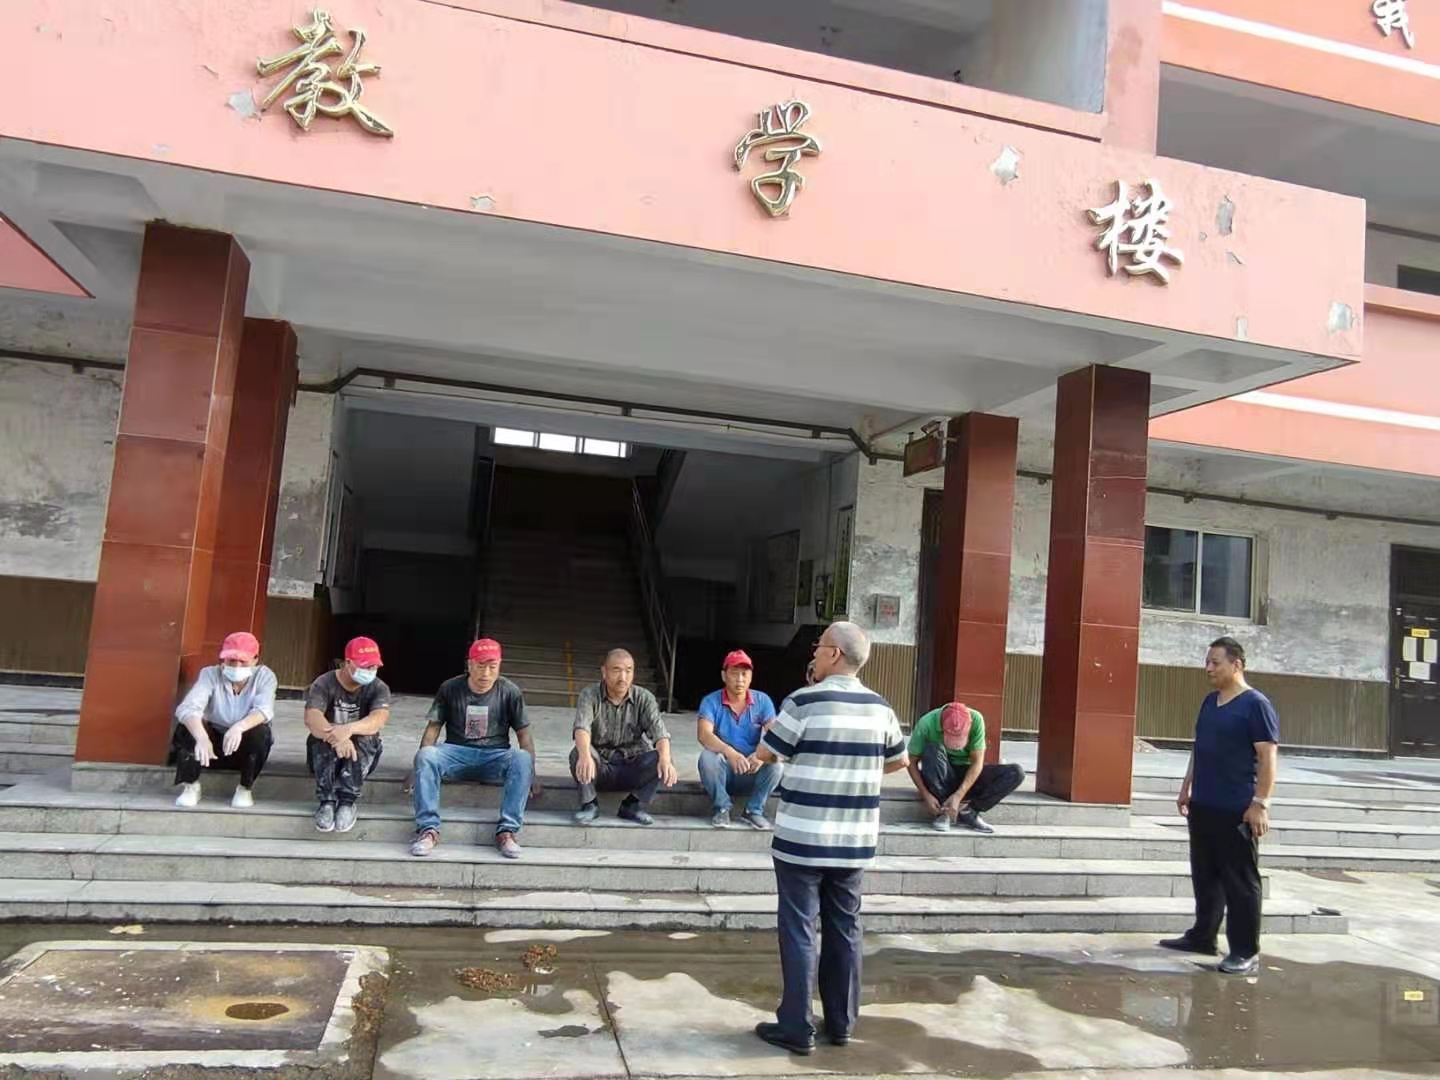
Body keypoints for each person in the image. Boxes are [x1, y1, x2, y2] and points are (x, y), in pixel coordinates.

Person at [752, 621, 909, 1055]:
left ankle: (797, 1028)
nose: (814, 654)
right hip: (853, 841)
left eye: (818, 647)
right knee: (846, 928)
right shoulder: (880, 707)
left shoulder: (803, 701)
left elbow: (767, 752)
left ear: (835, 654)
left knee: (799, 929)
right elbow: (899, 760)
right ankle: (840, 1024)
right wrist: (856, 771)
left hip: (802, 839)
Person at [1160, 636, 1279, 976]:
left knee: (1240, 882)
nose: (1208, 668)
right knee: (1205, 875)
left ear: (1236, 664)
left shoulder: (1256, 705)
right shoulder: (1210, 702)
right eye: (1207, 662)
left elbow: (1268, 756)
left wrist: (1260, 803)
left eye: (1216, 662)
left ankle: (1245, 950)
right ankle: (1203, 936)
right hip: (1204, 804)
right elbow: (1200, 747)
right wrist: (1187, 786)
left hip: (1236, 809)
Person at [409, 638, 539, 860]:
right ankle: (428, 830)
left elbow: (524, 735)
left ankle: (507, 831)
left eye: (492, 667)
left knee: (522, 758)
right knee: (427, 755)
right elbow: (433, 728)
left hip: (495, 756)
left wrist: (531, 774)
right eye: (480, 666)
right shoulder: (450, 688)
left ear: (499, 665)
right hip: (455, 753)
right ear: (469, 664)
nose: (486, 673)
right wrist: (416, 768)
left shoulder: (510, 691)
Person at [170, 631, 277, 809]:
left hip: (242, 746)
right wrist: (202, 738)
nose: (236, 666)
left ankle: (245, 788)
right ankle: (190, 785)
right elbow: (188, 708)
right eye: (231, 660)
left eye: (243, 661)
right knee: (186, 727)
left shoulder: (265, 677)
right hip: (210, 749)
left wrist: (239, 727)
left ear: (255, 659)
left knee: (262, 732)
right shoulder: (209, 674)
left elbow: (264, 710)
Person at [571, 648, 677, 825]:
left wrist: (665, 759)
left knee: (664, 757)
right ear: (604, 672)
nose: (623, 677)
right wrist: (584, 755)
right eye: (616, 670)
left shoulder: (644, 698)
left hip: (631, 765)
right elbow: (581, 728)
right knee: (578, 752)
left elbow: (660, 734)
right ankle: (589, 804)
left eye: (628, 671)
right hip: (600, 766)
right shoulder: (589, 695)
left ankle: (633, 805)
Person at [303, 636, 392, 834]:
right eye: (365, 666)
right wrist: (337, 738)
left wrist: (349, 730)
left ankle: (347, 802)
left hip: (360, 755)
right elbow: (312, 717)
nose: (370, 671)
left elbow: (379, 719)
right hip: (326, 754)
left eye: (373, 667)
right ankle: (326, 801)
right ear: (348, 662)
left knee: (367, 736)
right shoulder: (324, 683)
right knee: (320, 735)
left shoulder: (378, 688)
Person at [905, 701, 1025, 834]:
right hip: (942, 774)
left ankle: (969, 811)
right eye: (952, 738)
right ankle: (944, 811)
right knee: (932, 749)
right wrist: (925, 794)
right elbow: (911, 761)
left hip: (968, 775)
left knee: (1016, 773)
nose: (956, 745)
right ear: (943, 727)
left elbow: (977, 762)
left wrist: (958, 795)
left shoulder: (976, 719)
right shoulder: (926, 723)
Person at [696, 649, 782, 830]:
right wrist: (730, 753)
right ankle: (722, 807)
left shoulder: (763, 701)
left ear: (751, 677)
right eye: (734, 673)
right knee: (707, 758)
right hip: (724, 771)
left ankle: (754, 810)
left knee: (776, 764)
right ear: (724, 675)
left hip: (751, 770)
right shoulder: (711, 701)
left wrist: (760, 756)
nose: (740, 679)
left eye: (745, 674)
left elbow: (774, 736)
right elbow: (704, 735)